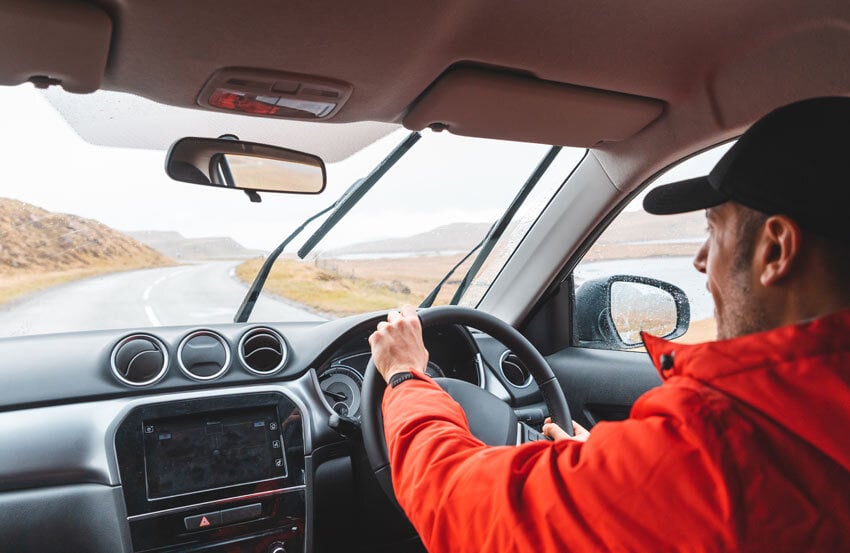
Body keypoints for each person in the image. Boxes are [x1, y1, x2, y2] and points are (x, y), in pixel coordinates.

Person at [368, 96, 850, 552]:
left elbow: (457, 502)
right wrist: (608, 471)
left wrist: (407, 376)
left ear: (776, 249)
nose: (703, 261)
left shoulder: (717, 448)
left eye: (714, 230)